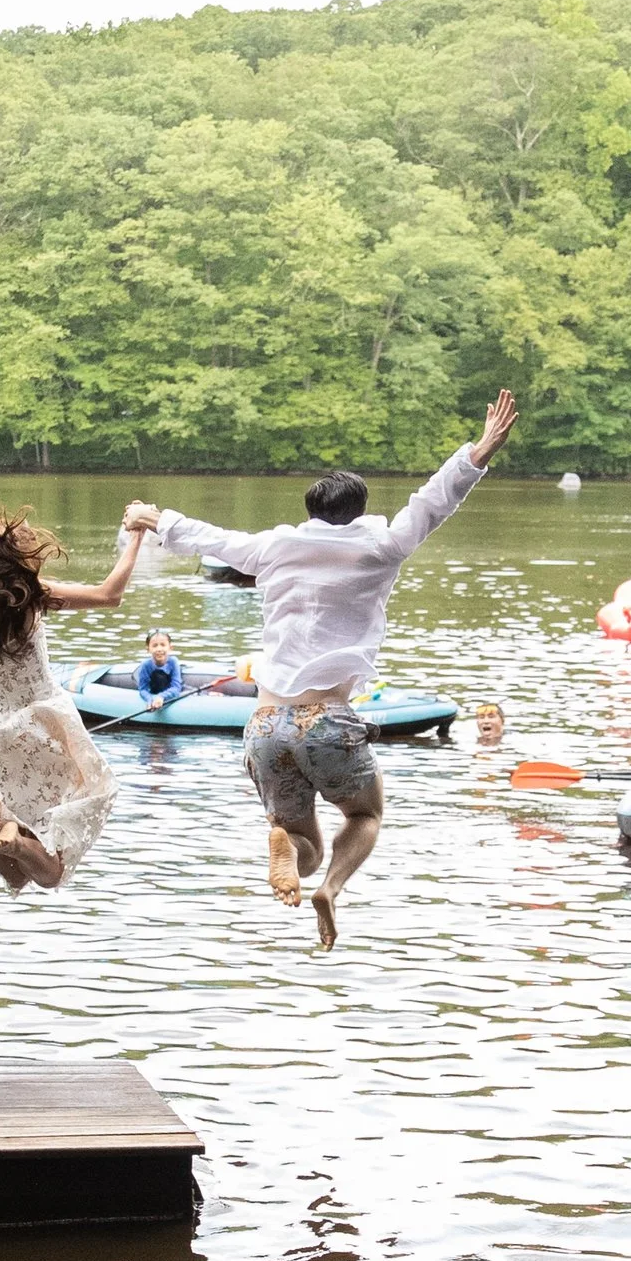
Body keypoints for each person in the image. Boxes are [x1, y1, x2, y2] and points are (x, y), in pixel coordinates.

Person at [123, 389, 518, 947]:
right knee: (365, 817)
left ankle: (287, 847)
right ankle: (331, 888)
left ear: (310, 512)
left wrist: (151, 516)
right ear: (360, 510)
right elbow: (434, 501)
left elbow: (209, 537)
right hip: (326, 720)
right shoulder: (382, 546)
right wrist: (478, 451)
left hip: (265, 724)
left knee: (300, 846)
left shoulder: (274, 547)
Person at [0, 388, 154, 890]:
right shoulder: (31, 597)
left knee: (16, 879)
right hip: (40, 720)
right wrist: (137, 535)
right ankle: (7, 831)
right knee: (53, 869)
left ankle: (0, 825)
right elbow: (109, 594)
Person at [137, 628, 184, 711]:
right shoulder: (145, 665)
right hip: (154, 690)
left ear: (170, 647)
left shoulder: (173, 662)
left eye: (163, 645)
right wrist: (149, 700)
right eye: (155, 646)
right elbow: (143, 689)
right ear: (148, 649)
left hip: (168, 692)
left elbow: (176, 687)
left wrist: (162, 696)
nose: (159, 649)